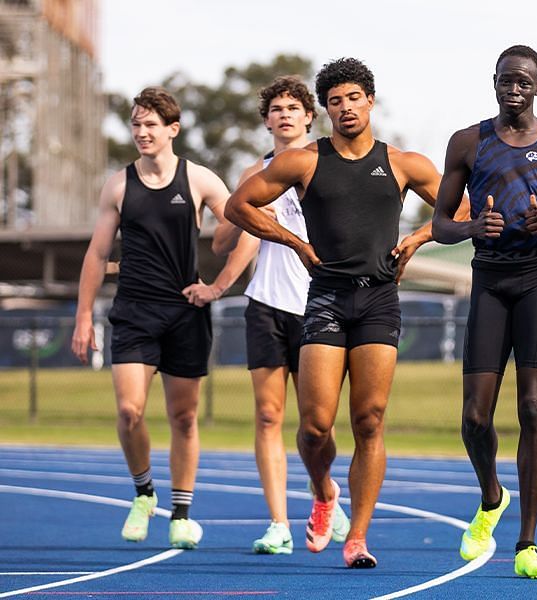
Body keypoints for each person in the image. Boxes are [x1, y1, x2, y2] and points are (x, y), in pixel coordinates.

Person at [225, 58, 450, 569]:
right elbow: (239, 206)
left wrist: (416, 238)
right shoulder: (303, 161)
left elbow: (458, 210)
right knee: (315, 427)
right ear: (324, 110)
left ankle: (359, 539)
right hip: (325, 297)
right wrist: (294, 242)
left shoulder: (403, 163)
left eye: (353, 98)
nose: (345, 108)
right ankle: (325, 490)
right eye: (334, 101)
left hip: (378, 300)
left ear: (370, 100)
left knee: (369, 420)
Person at [431, 44, 537, 579]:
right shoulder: (468, 142)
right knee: (475, 416)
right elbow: (439, 225)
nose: (514, 87)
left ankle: (527, 544)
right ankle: (490, 496)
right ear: (495, 82)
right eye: (506, 79)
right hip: (489, 279)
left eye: (524, 81)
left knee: (532, 406)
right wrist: (473, 228)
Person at [71, 87, 240, 549]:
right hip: (134, 312)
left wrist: (219, 284)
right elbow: (97, 252)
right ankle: (144, 492)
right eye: (136, 124)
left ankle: (181, 513)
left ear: (172, 129)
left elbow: (245, 225)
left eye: (151, 125)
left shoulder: (201, 180)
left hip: (186, 313)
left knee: (183, 418)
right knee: (129, 411)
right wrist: (84, 314)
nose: (142, 132)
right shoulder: (119, 185)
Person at [190, 76, 349, 555]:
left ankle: (324, 492)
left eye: (292, 107)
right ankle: (278, 523)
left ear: (308, 116)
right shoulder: (252, 173)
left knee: (318, 423)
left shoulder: (327, 164)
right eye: (275, 109)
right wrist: (226, 231)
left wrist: (220, 283)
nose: (283, 114)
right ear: (266, 120)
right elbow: (236, 236)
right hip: (266, 304)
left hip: (319, 303)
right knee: (266, 415)